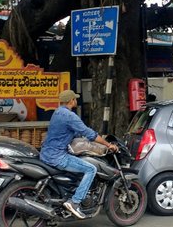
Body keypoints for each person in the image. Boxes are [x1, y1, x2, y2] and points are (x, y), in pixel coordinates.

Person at [40, 90, 118, 219]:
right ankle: (75, 202)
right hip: (57, 156)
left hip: (46, 153)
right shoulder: (70, 116)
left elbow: (72, 133)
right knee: (91, 169)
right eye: (75, 99)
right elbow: (89, 134)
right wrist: (108, 145)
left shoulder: (57, 112)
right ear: (71, 101)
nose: (76, 101)